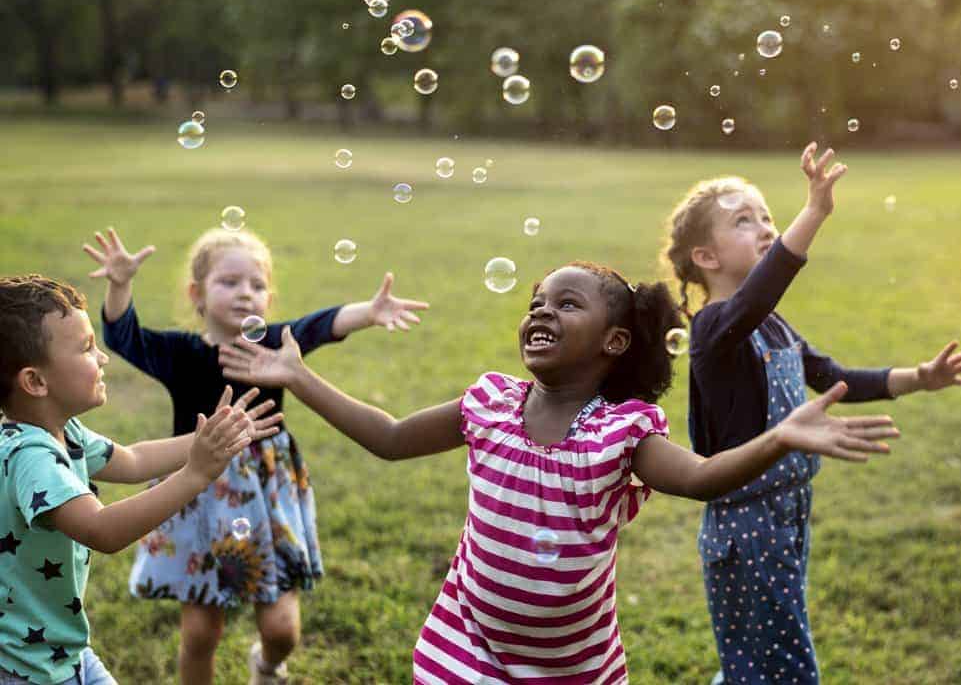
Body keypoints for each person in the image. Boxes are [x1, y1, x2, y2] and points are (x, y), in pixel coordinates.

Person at [217, 260, 899, 683]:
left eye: (566, 303)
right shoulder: (488, 403)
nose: (542, 310)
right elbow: (392, 438)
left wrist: (781, 436)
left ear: (615, 341)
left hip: (575, 668)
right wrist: (298, 377)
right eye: (537, 302)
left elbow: (701, 478)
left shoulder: (619, 434)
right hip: (469, 647)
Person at [663, 143, 961, 684]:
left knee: (762, 652)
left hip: (787, 513)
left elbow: (834, 378)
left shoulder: (773, 326)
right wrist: (815, 213)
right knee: (782, 664)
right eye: (744, 221)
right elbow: (761, 291)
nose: (764, 228)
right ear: (705, 258)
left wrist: (918, 378)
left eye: (768, 216)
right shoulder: (714, 331)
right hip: (748, 523)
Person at [83, 227, 429, 685]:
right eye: (229, 282)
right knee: (200, 633)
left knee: (282, 629)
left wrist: (370, 311)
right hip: (199, 491)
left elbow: (322, 324)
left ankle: (266, 666)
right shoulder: (180, 354)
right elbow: (125, 338)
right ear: (197, 293)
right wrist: (120, 284)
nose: (245, 293)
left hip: (267, 495)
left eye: (257, 284)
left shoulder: (274, 346)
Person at [0, 274, 278, 684]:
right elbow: (102, 530)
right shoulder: (30, 456)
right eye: (87, 348)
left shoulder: (63, 430)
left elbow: (132, 459)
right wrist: (197, 473)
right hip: (23, 667)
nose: (103, 358)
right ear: (36, 382)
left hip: (62, 652)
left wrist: (210, 436)